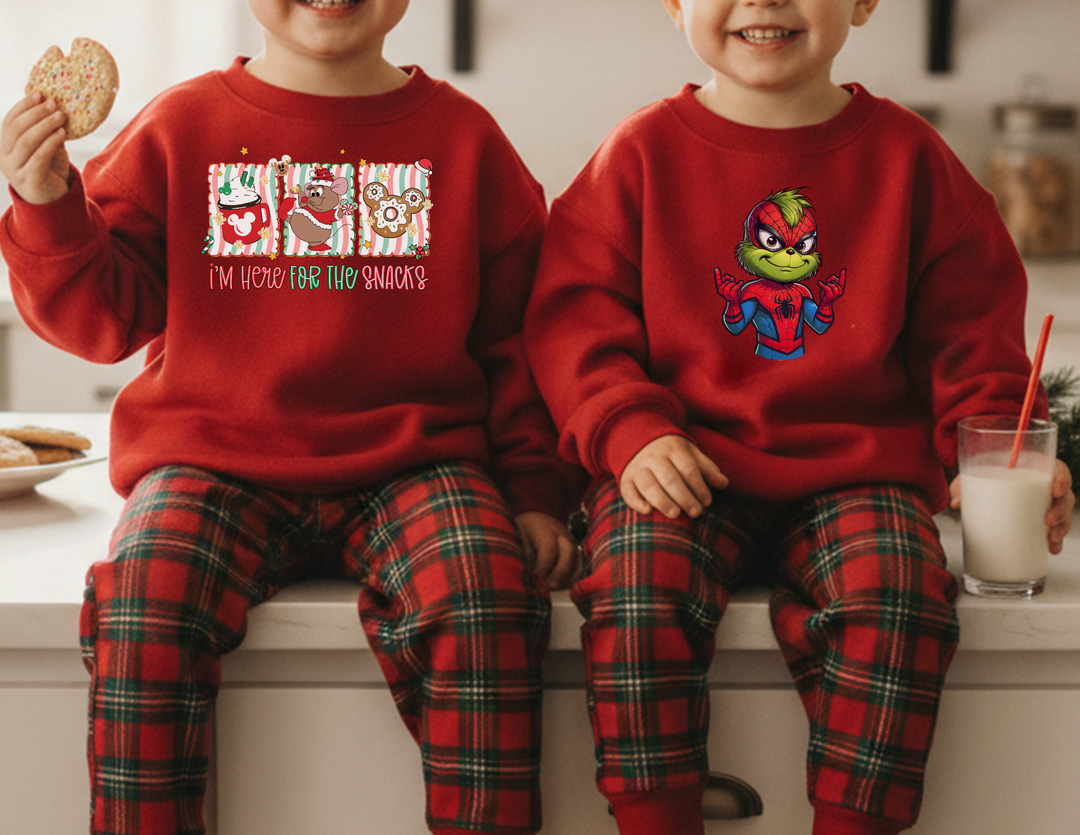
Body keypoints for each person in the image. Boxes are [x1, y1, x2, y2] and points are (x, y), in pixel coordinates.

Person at [0, 1, 581, 833]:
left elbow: (520, 338)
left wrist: (535, 488)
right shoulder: (179, 125)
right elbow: (104, 316)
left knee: (487, 596)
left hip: (418, 462)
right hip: (210, 458)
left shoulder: (466, 140)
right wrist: (47, 201)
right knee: (146, 599)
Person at [523, 1, 1075, 834]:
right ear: (675, 4)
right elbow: (574, 319)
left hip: (858, 476)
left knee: (900, 598)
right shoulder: (638, 155)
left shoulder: (911, 161)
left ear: (861, 1)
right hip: (682, 466)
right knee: (636, 588)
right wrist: (628, 427)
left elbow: (974, 337)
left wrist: (998, 444)